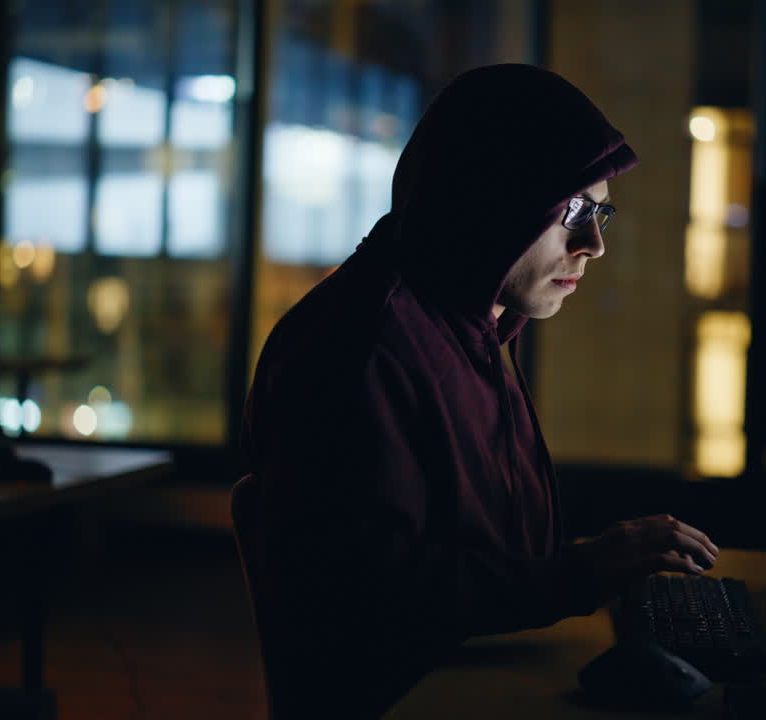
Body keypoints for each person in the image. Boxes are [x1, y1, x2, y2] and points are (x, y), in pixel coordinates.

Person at [240, 63, 719, 719]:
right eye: (572, 213)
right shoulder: (364, 349)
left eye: (600, 212)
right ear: (492, 200)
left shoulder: (467, 323)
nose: (594, 244)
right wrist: (584, 570)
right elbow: (380, 594)